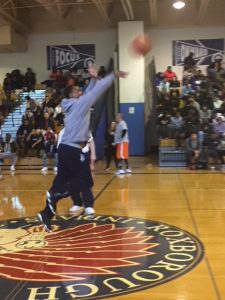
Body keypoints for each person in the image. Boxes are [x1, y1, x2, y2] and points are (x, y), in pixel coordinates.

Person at [37, 66, 128, 232]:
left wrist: (93, 79)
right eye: (78, 90)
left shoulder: (73, 104)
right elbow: (95, 92)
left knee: (60, 182)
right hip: (73, 149)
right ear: (72, 94)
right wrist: (112, 75)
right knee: (86, 181)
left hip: (65, 148)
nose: (82, 91)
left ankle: (46, 213)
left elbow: (90, 91)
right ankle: (57, 195)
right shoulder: (80, 104)